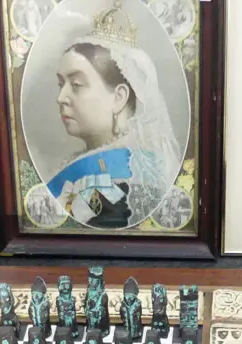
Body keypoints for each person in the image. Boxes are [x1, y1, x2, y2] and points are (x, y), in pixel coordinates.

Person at [45, 0, 182, 229]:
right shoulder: (75, 167)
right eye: (61, 84)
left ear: (119, 97)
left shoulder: (131, 185)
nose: (61, 97)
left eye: (76, 84)